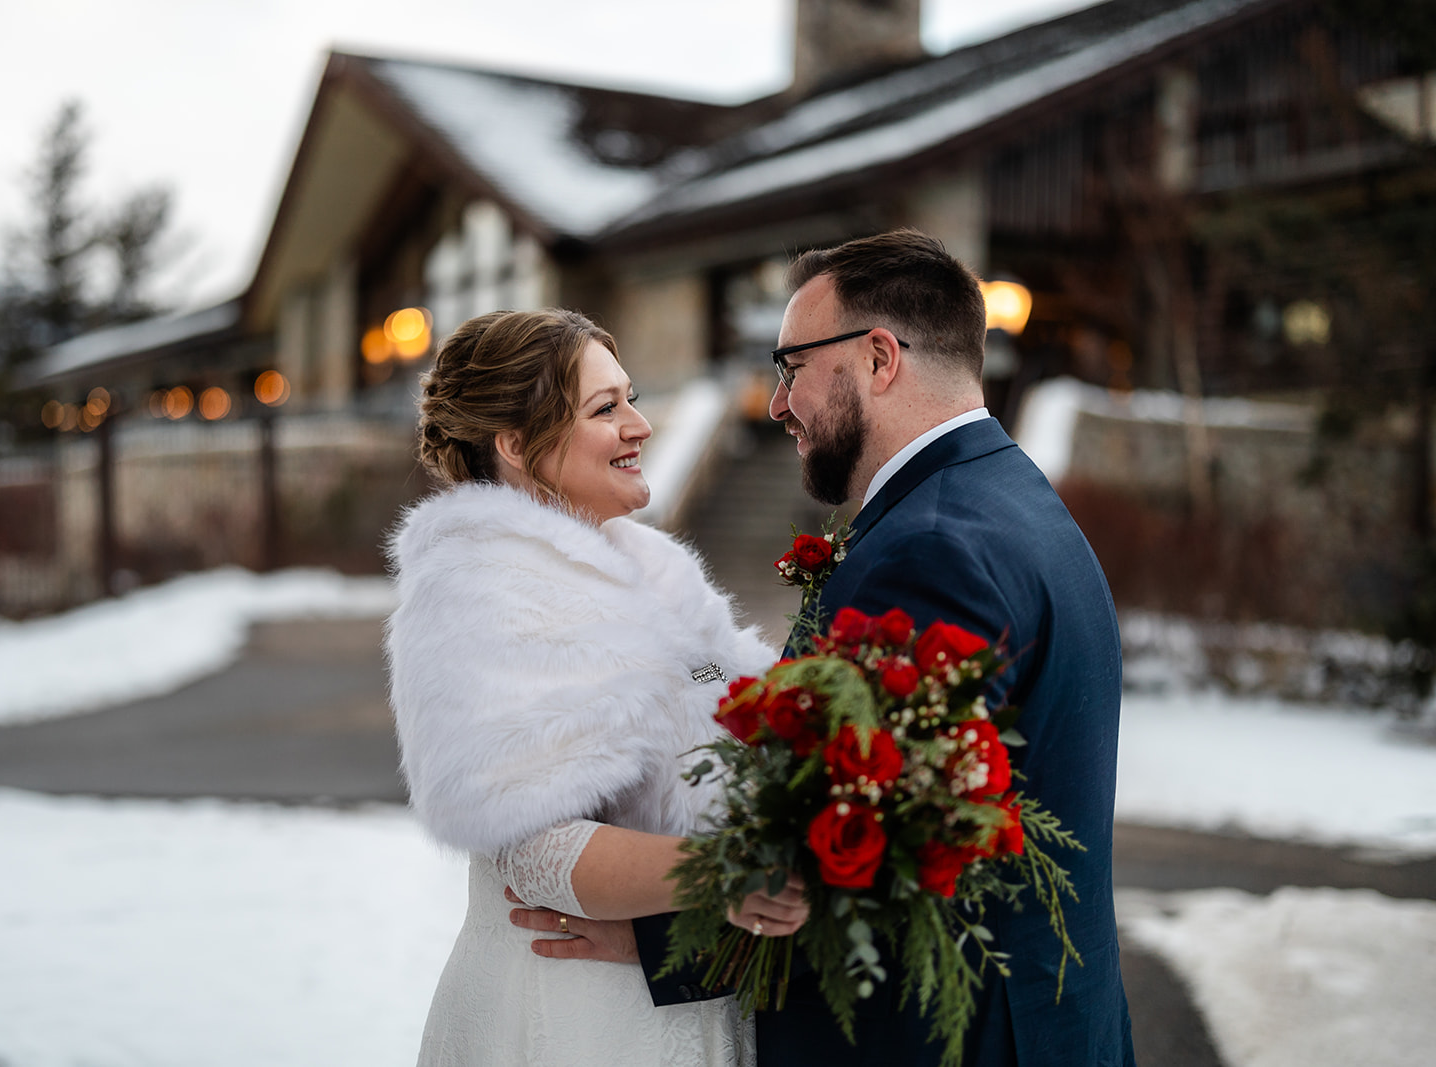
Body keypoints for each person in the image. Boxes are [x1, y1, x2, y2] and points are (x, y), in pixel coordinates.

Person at [616, 229, 1136, 1064]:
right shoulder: (1008, 496)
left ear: (879, 358)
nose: (776, 403)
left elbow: (861, 845)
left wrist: (644, 939)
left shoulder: (932, 548)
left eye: (791, 367)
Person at [387, 307, 806, 1067]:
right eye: (605, 408)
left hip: (683, 981)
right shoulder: (478, 590)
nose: (639, 425)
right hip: (571, 1008)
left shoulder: (655, 570)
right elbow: (531, 848)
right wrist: (724, 873)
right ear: (517, 444)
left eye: (630, 399)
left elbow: (724, 697)